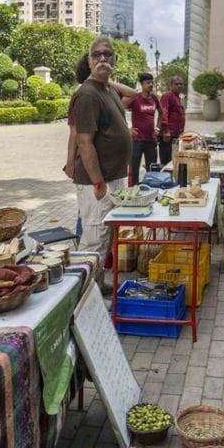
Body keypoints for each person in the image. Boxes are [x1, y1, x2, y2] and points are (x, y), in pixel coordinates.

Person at [70, 37, 132, 289]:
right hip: (98, 182)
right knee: (93, 241)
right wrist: (97, 181)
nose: (102, 59)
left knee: (104, 238)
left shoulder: (108, 90)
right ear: (89, 60)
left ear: (115, 59)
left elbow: (133, 97)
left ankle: (97, 284)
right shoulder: (87, 95)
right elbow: (84, 142)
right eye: (97, 55)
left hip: (113, 177)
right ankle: (79, 297)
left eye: (107, 55)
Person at [126, 73, 159, 185]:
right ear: (141, 84)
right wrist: (127, 129)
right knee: (134, 168)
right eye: (148, 82)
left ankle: (151, 190)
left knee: (152, 168)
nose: (150, 84)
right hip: (137, 140)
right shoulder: (135, 98)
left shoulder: (154, 98)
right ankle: (133, 190)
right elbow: (119, 109)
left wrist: (158, 127)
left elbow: (162, 112)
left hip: (151, 139)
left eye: (152, 82)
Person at [158, 75, 186, 167]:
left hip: (176, 134)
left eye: (181, 84)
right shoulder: (167, 96)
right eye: (176, 84)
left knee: (173, 159)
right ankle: (164, 178)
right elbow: (164, 113)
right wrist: (166, 131)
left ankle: (170, 177)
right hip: (168, 135)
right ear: (171, 85)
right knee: (165, 160)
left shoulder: (177, 97)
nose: (179, 86)